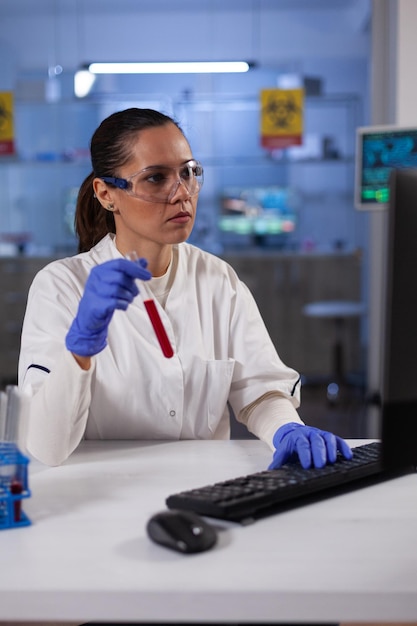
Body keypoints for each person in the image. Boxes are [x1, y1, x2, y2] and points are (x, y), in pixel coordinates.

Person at [18, 107, 352, 468]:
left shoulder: (217, 278)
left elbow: (258, 388)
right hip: (102, 495)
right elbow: (44, 447)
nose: (182, 194)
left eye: (188, 173)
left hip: (204, 491)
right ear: (106, 193)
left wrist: (287, 428)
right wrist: (79, 350)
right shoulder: (61, 287)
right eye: (155, 178)